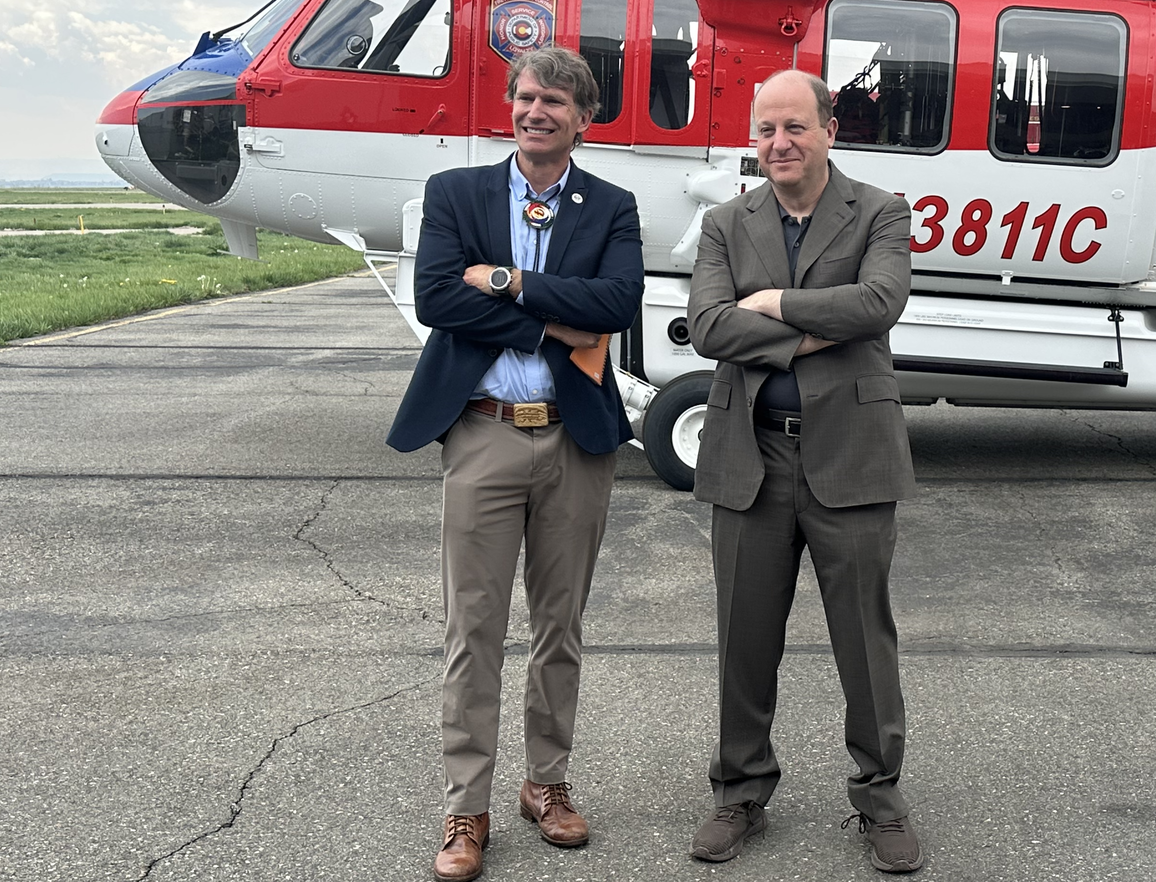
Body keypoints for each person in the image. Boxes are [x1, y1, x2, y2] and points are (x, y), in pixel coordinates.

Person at [386, 47, 643, 882]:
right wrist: (546, 322)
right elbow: (436, 297)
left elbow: (616, 303)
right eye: (528, 97)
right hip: (485, 432)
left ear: (583, 117)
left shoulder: (611, 205)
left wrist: (504, 279)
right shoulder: (455, 192)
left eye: (557, 101)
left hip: (575, 440)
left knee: (559, 629)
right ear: (511, 105)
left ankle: (547, 784)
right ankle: (468, 805)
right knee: (475, 629)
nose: (538, 111)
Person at [684, 69, 923, 873]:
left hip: (852, 456)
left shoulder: (883, 210)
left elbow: (879, 304)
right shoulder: (724, 221)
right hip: (750, 455)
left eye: (793, 127)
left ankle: (880, 797)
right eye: (763, 130)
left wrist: (774, 305)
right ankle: (740, 791)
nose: (777, 144)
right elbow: (709, 326)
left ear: (828, 128)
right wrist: (818, 329)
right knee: (743, 642)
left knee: (865, 641)